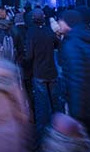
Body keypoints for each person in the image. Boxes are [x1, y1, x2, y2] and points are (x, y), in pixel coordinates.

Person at [56, 9, 90, 145]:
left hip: (83, 110)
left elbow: (76, 80)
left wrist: (76, 114)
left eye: (61, 20)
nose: (59, 23)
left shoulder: (71, 44)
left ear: (68, 23)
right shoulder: (88, 39)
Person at [26, 8, 61, 141]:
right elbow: (58, 44)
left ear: (33, 19)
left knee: (42, 105)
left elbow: (29, 55)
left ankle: (43, 137)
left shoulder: (31, 32)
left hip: (39, 72)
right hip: (51, 72)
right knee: (55, 104)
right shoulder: (48, 31)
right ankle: (59, 133)